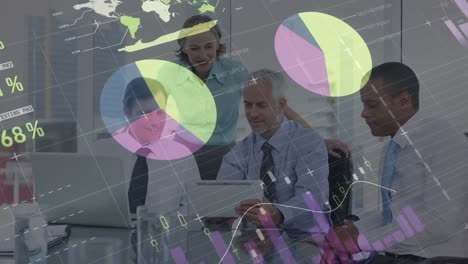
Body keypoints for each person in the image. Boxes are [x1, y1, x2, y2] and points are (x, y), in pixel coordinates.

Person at [321, 62, 468, 263]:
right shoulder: (395, 146)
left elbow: (439, 224)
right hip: (401, 256)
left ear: (404, 100)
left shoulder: (441, 139)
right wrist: (355, 230)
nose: (364, 113)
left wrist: (361, 241)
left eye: (372, 105)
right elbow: (392, 217)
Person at [174, 15, 349, 180]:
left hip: (221, 154)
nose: (202, 54)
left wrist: (317, 141)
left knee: (218, 207)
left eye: (208, 46)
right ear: (183, 47)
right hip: (180, 154)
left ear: (218, 44)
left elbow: (280, 107)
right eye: (194, 48)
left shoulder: (234, 73)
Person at [217, 69, 330, 238]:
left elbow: (311, 199)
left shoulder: (309, 143)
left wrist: (277, 215)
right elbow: (221, 201)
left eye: (261, 105)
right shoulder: (239, 152)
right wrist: (218, 212)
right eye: (248, 104)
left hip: (304, 241)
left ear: (281, 105)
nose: (252, 114)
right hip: (254, 243)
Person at [94, 77, 199, 214]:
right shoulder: (99, 152)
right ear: (127, 112)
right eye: (144, 113)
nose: (155, 122)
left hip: (162, 233)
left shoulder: (181, 156)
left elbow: (195, 211)